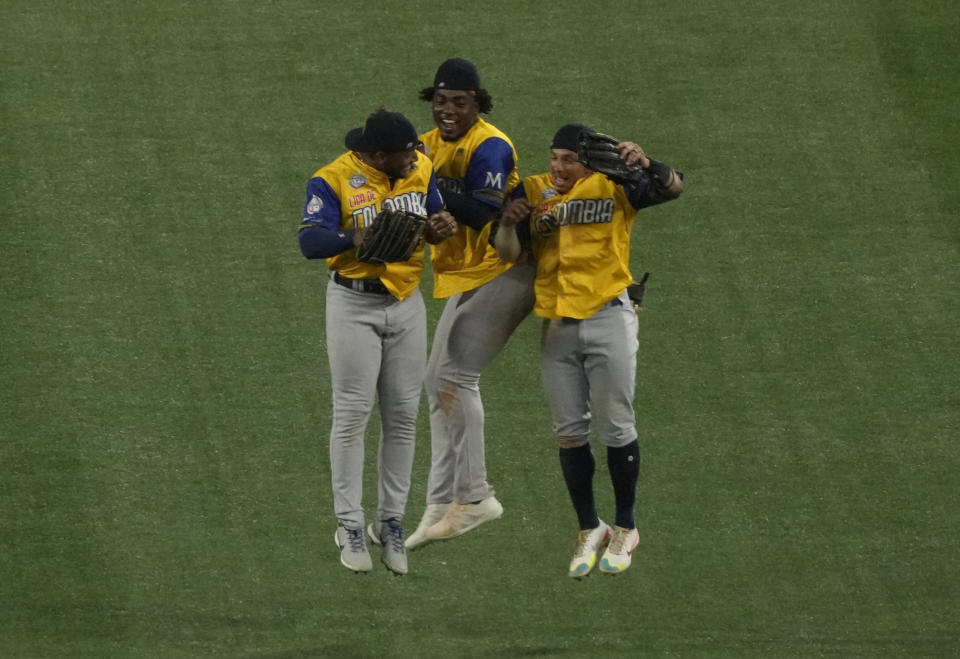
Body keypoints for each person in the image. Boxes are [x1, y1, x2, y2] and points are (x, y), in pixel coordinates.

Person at [493, 123, 684, 577]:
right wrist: (506, 221)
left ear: (587, 161)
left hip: (608, 316)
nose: (558, 167)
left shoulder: (615, 185)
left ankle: (626, 527)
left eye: (568, 159)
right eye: (554, 157)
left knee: (617, 425)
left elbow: (672, 186)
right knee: (568, 431)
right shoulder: (531, 190)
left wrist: (646, 162)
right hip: (557, 325)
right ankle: (588, 527)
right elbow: (506, 252)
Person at [298, 109, 457, 575]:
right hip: (352, 304)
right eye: (405, 154)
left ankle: (389, 523)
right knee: (352, 413)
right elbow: (309, 242)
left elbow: (432, 214)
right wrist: (352, 236)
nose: (415, 159)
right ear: (379, 156)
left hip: (406, 303)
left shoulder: (420, 168)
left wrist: (438, 226)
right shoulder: (333, 179)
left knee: (404, 416)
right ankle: (349, 523)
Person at [404, 58, 536, 549]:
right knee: (434, 382)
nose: (448, 111)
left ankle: (477, 496)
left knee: (455, 378)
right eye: (440, 102)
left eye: (459, 102)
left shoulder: (491, 146)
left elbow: (483, 211)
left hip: (511, 267)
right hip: (469, 273)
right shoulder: (426, 145)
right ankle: (442, 503)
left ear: (477, 103)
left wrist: (426, 185)